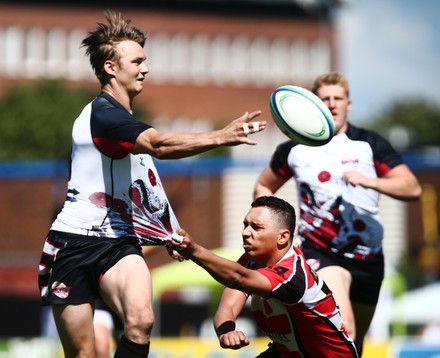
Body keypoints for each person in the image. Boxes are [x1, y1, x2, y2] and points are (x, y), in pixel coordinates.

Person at [37, 10, 266, 358]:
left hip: (118, 243)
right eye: (137, 61)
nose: (145, 68)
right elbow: (159, 146)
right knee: (83, 354)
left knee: (142, 320)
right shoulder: (104, 115)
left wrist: (165, 232)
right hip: (74, 243)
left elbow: (142, 188)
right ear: (111, 68)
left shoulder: (123, 122)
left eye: (145, 60)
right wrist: (221, 135)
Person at [253, 71, 421, 355]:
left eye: (337, 98)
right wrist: (269, 229)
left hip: (368, 257)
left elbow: (412, 188)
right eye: (325, 99)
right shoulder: (294, 148)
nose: (332, 104)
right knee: (345, 328)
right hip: (322, 252)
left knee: (356, 344)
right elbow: (263, 185)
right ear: (314, 105)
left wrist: (369, 180)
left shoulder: (369, 143)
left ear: (348, 104)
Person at [169, 196, 358, 357]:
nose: (245, 233)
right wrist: (226, 331)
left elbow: (238, 278)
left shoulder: (292, 275)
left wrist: (193, 251)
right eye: (245, 225)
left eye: (256, 227)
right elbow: (229, 303)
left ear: (282, 237)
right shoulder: (251, 260)